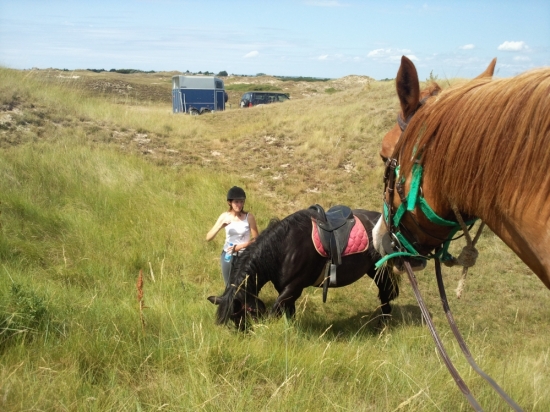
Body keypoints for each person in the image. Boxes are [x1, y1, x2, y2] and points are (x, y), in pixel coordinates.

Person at [206, 186, 259, 287]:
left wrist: (241, 246)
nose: (239, 205)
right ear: (230, 202)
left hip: (245, 255)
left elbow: (257, 239)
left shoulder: (249, 217)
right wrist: (220, 227)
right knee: (229, 286)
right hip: (228, 254)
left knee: (244, 286)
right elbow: (208, 237)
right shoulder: (224, 216)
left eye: (241, 202)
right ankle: (230, 303)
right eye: (236, 202)